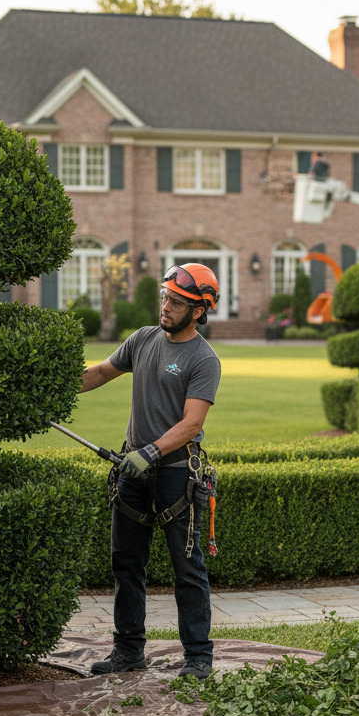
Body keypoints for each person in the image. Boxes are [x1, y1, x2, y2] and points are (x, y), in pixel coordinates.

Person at [80, 263, 222, 680]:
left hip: (176, 474)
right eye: (165, 297)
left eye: (176, 302)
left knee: (188, 569)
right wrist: (49, 384)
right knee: (126, 563)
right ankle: (128, 652)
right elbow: (102, 372)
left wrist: (151, 452)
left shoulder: (203, 359)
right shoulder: (143, 339)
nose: (165, 306)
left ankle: (198, 657)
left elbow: (192, 423)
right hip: (133, 472)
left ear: (198, 311)